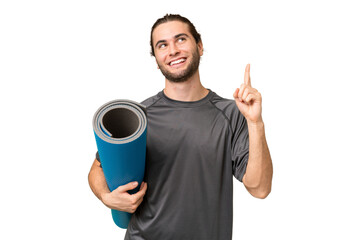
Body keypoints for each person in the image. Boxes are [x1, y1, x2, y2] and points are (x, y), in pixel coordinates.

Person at [88, 14, 273, 240]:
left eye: (181, 39)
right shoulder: (141, 116)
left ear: (200, 46)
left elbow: (260, 188)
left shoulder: (232, 113)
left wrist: (256, 122)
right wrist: (106, 197)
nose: (173, 50)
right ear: (156, 59)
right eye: (162, 45)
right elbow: (98, 167)